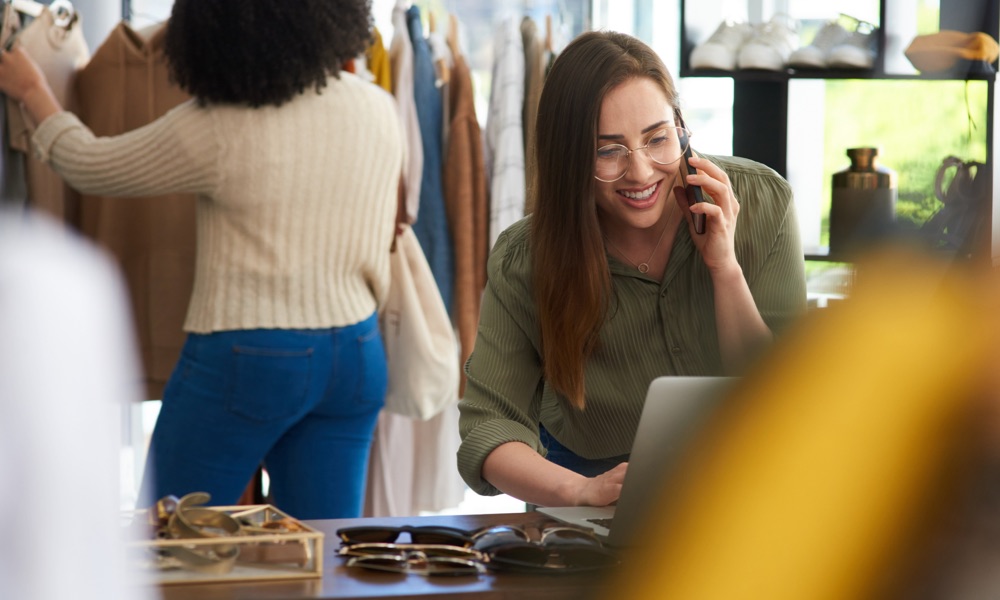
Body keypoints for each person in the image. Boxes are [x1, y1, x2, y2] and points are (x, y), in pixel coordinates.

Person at [0, 0, 405, 520]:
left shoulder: (221, 126)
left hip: (249, 354)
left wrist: (33, 91)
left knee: (168, 540)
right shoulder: (375, 106)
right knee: (323, 552)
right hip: (356, 354)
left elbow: (91, 164)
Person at [457, 30, 807, 508]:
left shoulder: (763, 201)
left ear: (681, 127)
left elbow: (786, 397)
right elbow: (488, 427)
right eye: (608, 150)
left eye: (657, 139)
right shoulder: (525, 258)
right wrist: (579, 490)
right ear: (570, 157)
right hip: (590, 486)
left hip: (747, 474)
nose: (640, 172)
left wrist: (724, 268)